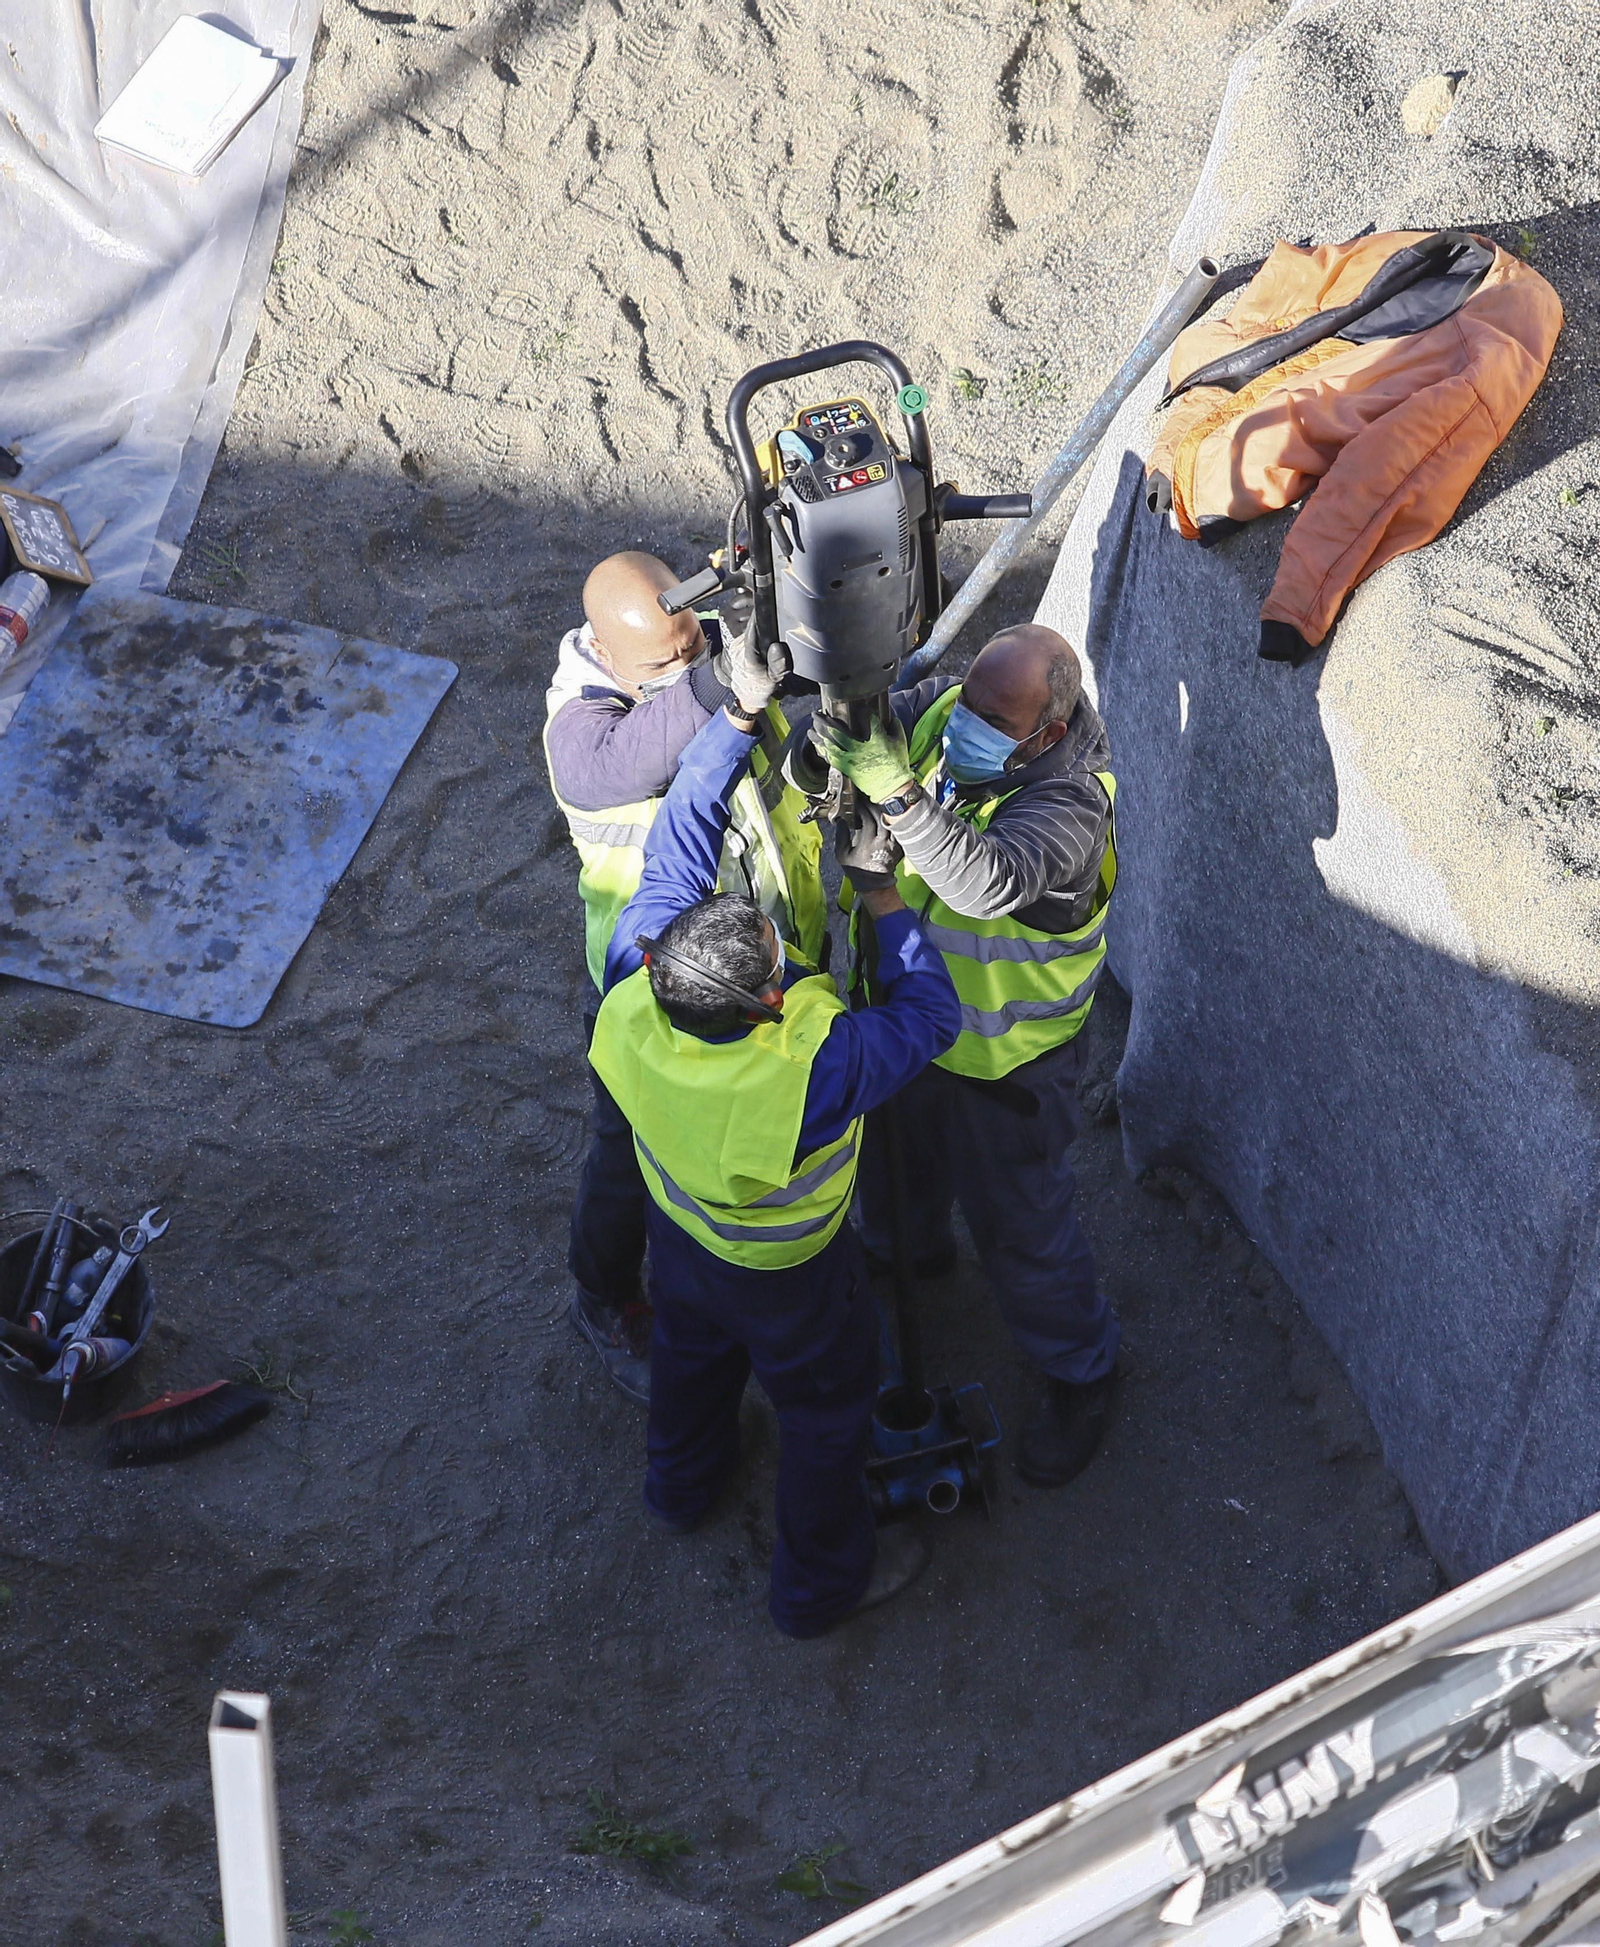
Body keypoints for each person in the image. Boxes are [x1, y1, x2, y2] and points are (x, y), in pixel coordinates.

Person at [587, 632, 961, 1639]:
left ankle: (681, 1489)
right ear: (761, 1004)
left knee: (690, 1363)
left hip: (684, 1242)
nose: (783, 948)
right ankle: (816, 1591)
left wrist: (737, 716)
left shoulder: (634, 976)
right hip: (793, 1278)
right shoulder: (811, 1069)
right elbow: (931, 1021)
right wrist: (881, 894)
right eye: (775, 958)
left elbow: (682, 834)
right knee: (826, 1419)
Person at [812, 623, 1121, 1490]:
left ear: (1047, 732)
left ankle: (1082, 1369)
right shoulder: (951, 705)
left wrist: (895, 794)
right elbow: (864, 737)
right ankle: (911, 1251)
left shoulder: (1072, 807)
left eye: (993, 716)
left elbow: (983, 879)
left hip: (1006, 1071)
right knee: (892, 1180)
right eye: (970, 702)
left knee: (1023, 1230)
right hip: (910, 1030)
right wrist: (839, 725)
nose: (964, 725)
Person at [544, 551, 826, 1405]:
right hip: (648, 991)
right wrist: (724, 687)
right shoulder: (582, 739)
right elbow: (655, 751)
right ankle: (604, 1292)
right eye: (661, 664)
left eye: (692, 643)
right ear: (600, 647)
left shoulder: (694, 643)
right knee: (629, 1146)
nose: (684, 664)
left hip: (756, 951)